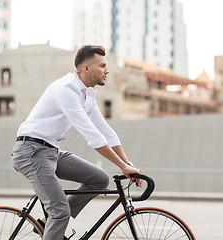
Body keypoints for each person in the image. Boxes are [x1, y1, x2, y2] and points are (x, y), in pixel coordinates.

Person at [11, 45, 142, 240]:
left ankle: (50, 223)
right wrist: (122, 166)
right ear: (86, 68)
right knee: (59, 210)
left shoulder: (87, 95)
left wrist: (127, 164)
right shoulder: (66, 90)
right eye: (102, 65)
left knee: (100, 179)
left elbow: (106, 132)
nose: (107, 70)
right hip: (30, 152)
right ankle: (56, 218)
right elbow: (93, 137)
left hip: (51, 151)